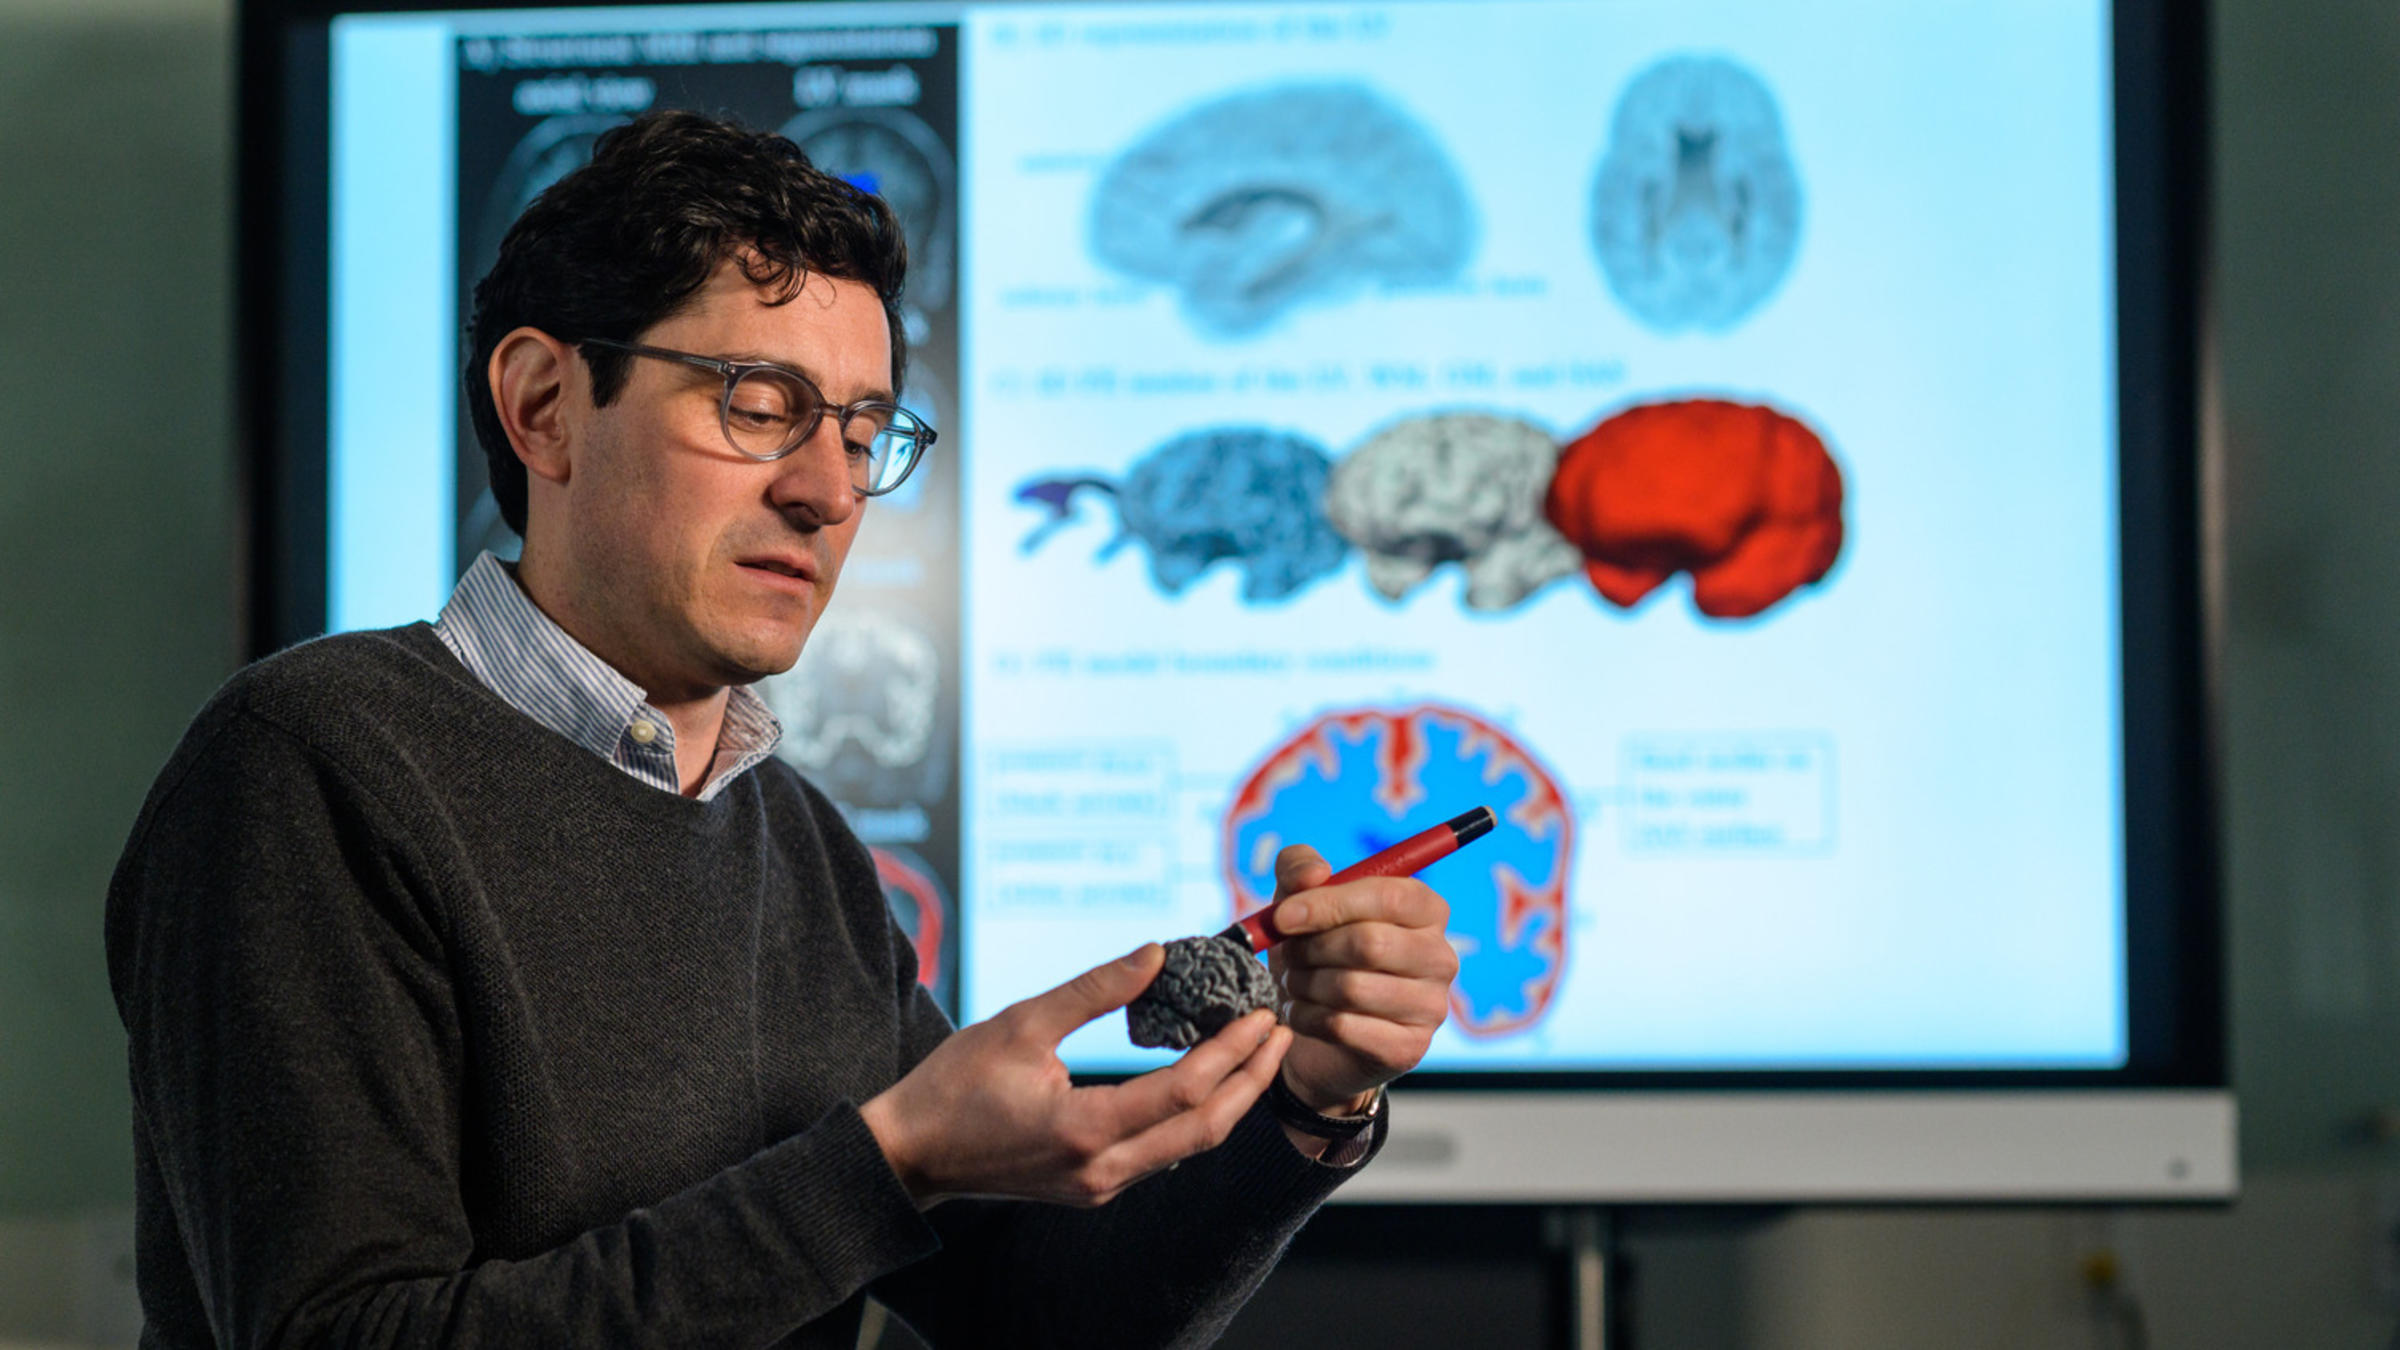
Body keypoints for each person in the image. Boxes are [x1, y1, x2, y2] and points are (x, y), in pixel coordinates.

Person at [105, 110, 1460, 1348]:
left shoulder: (796, 841)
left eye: (866, 435)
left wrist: (1309, 1103)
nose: (827, 491)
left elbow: (1031, 1315)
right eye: (760, 406)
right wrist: (884, 1164)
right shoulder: (312, 766)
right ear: (544, 406)